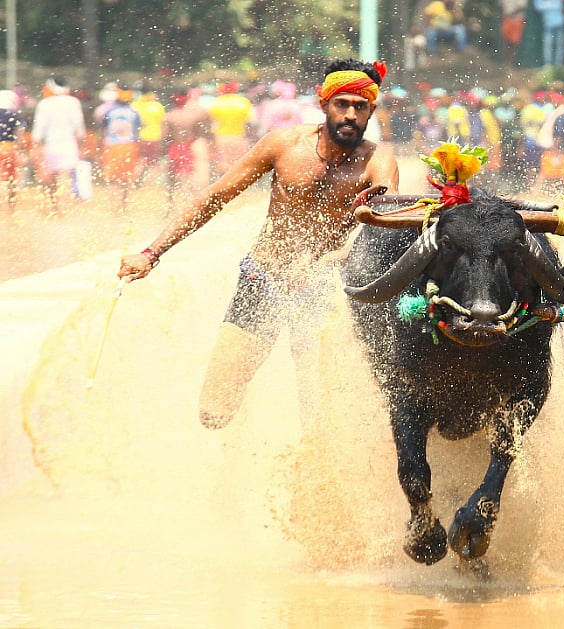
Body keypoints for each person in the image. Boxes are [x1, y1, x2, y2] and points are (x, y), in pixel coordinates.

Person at [117, 59, 400, 430]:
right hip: (264, 278)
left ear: (371, 110)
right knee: (213, 412)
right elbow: (214, 197)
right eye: (341, 104)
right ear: (323, 104)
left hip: (323, 290)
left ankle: (313, 475)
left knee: (319, 410)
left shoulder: (377, 159)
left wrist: (339, 253)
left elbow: (388, 216)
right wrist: (151, 253)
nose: (350, 114)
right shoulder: (285, 145)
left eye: (359, 107)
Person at [31, 76, 86, 211]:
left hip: (51, 145)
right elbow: (79, 125)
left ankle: (54, 206)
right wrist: (82, 142)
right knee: (71, 175)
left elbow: (39, 129)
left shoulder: (44, 104)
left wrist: (35, 144)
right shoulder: (73, 102)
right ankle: (73, 206)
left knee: (50, 177)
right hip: (69, 144)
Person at [163, 89, 213, 204]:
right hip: (187, 147)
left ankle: (170, 206)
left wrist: (162, 152)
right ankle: (189, 204)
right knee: (187, 179)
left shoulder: (169, 116)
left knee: (172, 179)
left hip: (175, 148)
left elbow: (165, 137)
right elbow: (205, 126)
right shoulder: (195, 114)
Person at [99, 89, 142, 211]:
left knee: (112, 178)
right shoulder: (134, 112)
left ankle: (113, 205)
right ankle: (123, 205)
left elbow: (103, 129)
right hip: (128, 146)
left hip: (112, 146)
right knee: (126, 178)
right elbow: (137, 131)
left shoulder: (110, 111)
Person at [208, 81, 254, 176]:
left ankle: (222, 184)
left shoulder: (217, 102)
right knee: (237, 164)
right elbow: (249, 121)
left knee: (223, 164)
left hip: (221, 137)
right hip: (238, 136)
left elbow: (211, 122)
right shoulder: (243, 102)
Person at [0, 90, 28, 211]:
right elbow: (20, 132)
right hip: (9, 148)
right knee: (11, 180)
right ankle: (11, 207)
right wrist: (21, 149)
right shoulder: (14, 114)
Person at [535, 0, 564, 67]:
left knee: (560, 45)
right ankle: (548, 64)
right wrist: (551, 5)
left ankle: (558, 64)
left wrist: (546, 5)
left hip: (560, 24)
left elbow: (559, 6)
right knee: (547, 46)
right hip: (548, 26)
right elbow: (538, 7)